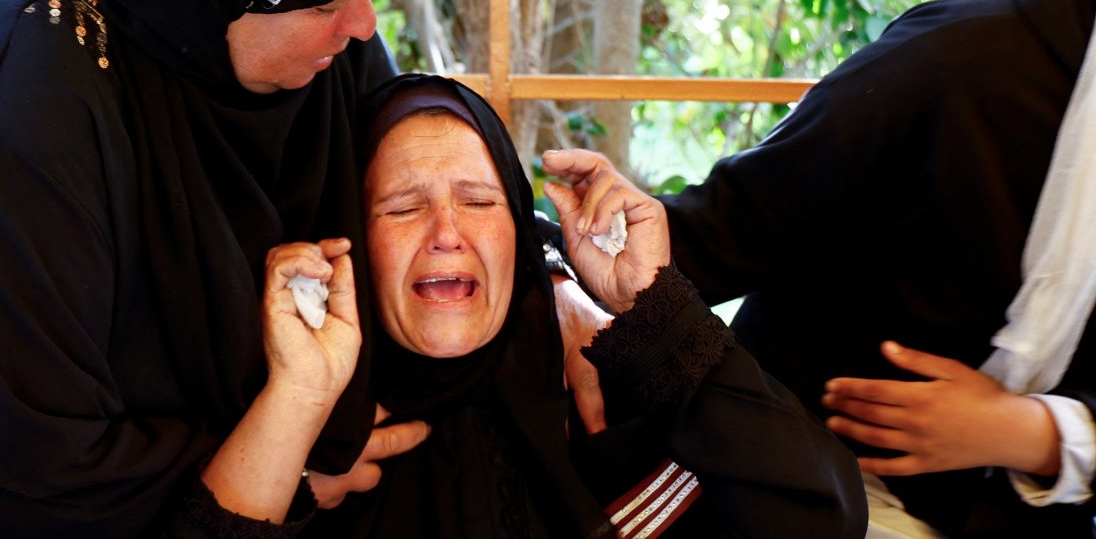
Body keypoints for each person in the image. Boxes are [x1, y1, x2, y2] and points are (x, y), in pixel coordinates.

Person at [0, 0, 428, 536]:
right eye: (325, 2)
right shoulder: (12, 131)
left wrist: (547, 275)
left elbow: (423, 190)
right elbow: (18, 487)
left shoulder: (300, 27)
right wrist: (285, 464)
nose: (362, 24)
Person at [543, 0, 1096, 538]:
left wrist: (1037, 434)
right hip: (806, 482)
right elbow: (713, 235)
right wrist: (557, 269)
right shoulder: (958, 63)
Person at [292, 74, 867, 538]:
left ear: (518, 232)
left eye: (478, 200)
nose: (447, 232)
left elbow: (821, 513)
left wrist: (654, 305)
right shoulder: (314, 436)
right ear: (352, 239)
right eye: (401, 208)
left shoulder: (600, 382)